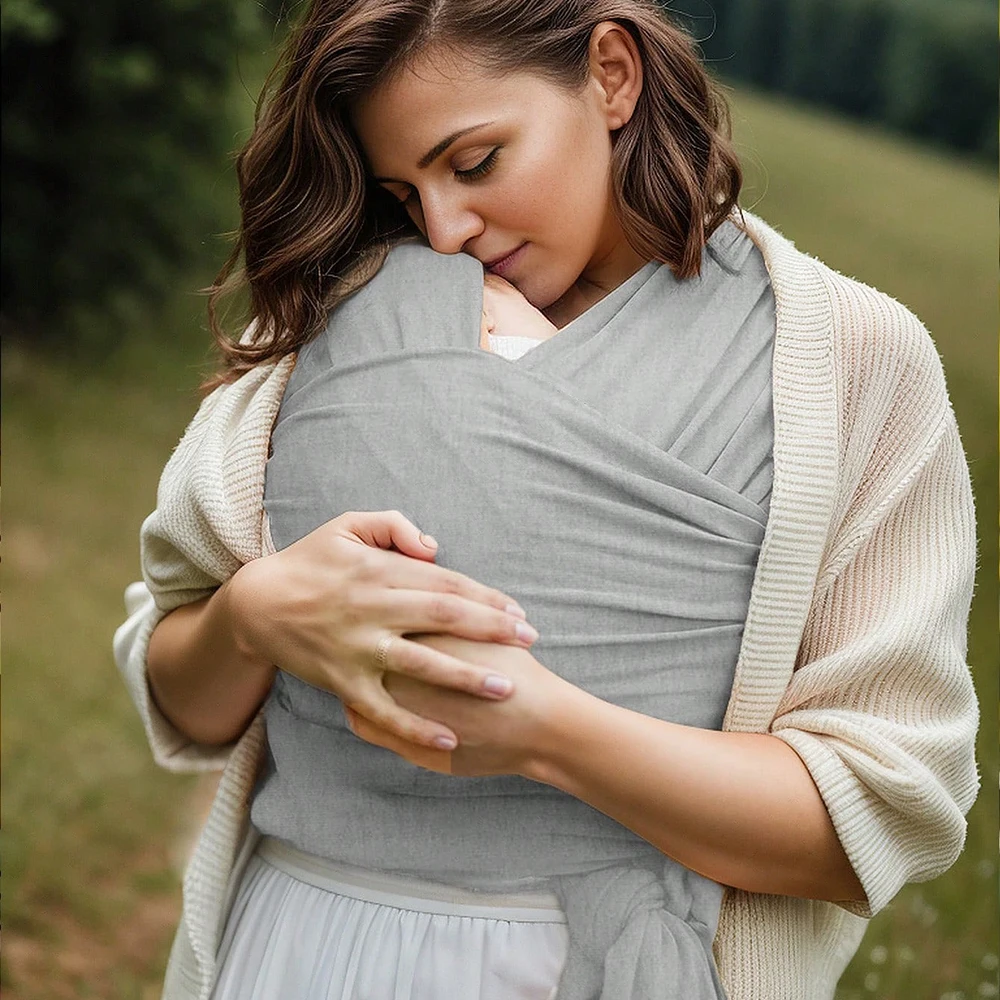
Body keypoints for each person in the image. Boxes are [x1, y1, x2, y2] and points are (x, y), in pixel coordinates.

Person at [112, 2, 980, 999]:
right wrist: (254, 615)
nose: (445, 228)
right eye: (404, 190)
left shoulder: (847, 361)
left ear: (611, 74)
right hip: (293, 951)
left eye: (475, 161)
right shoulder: (347, 307)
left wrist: (547, 732)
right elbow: (180, 696)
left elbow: (881, 811)